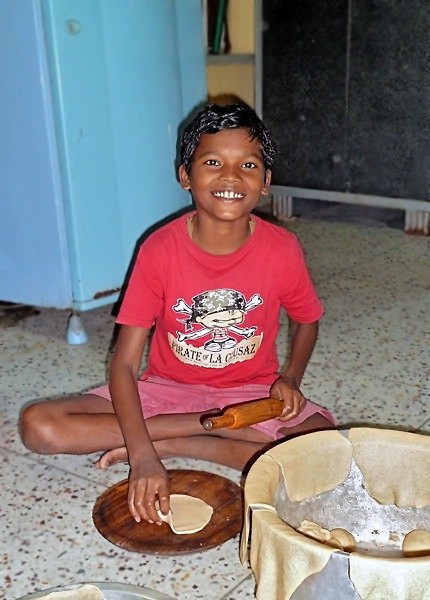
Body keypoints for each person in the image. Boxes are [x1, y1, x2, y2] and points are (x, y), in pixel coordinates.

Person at [20, 102, 335, 526]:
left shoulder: (282, 249)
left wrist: (290, 378)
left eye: (248, 164)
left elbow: (307, 320)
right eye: (212, 162)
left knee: (323, 455)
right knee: (40, 426)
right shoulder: (159, 250)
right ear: (185, 175)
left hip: (252, 395)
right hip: (166, 392)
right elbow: (124, 365)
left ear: (265, 182)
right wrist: (142, 456)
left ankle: (180, 439)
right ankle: (205, 428)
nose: (230, 176)